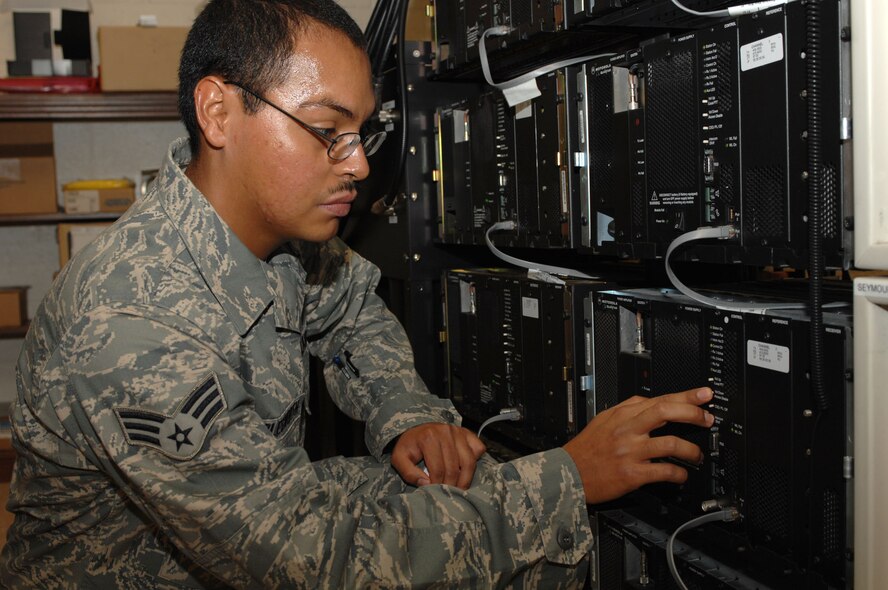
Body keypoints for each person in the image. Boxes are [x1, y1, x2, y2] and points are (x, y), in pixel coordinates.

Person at [0, 0, 714, 587]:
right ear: (218, 114)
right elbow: (306, 558)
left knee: (491, 515)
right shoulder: (132, 316)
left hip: (258, 532)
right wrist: (567, 478)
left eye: (362, 133)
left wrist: (405, 415)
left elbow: (354, 317)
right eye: (327, 131)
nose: (360, 163)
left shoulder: (283, 235)